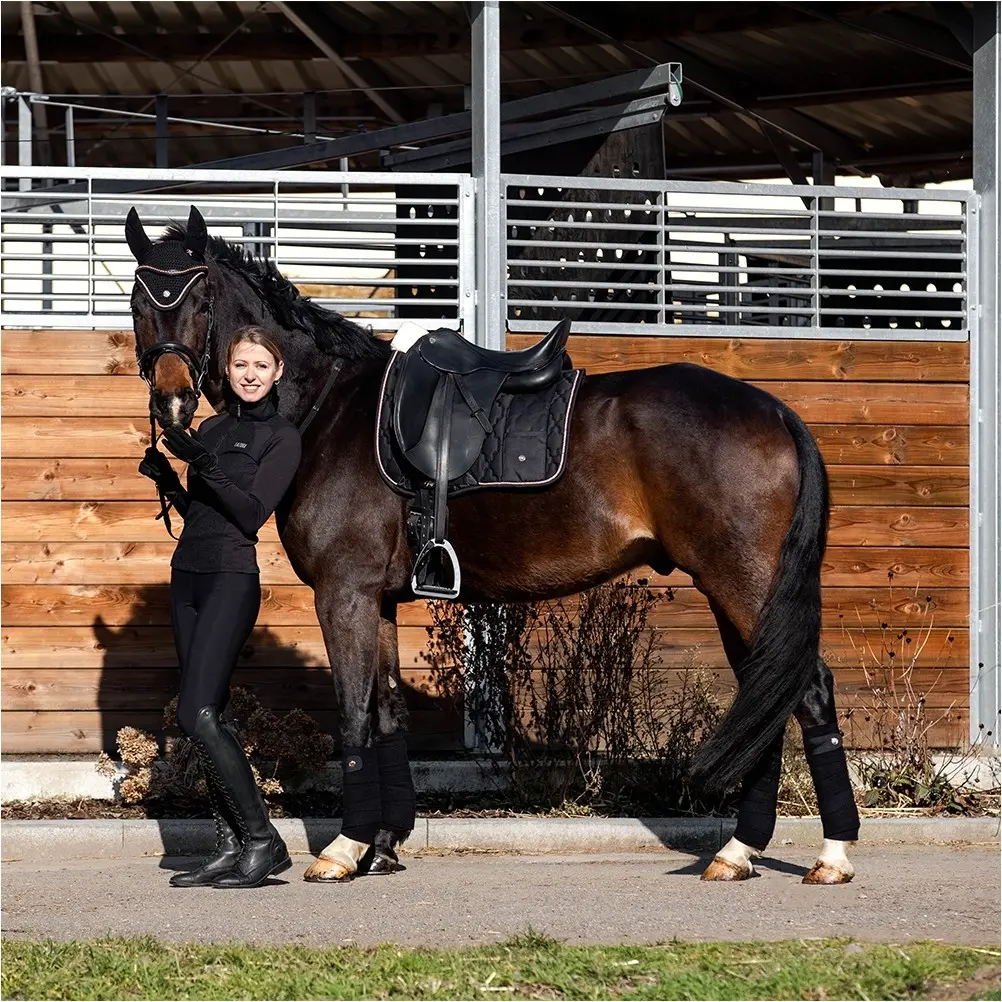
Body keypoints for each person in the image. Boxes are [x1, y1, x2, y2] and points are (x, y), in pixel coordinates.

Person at [138, 325, 302, 888]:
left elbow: (252, 513)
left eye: (261, 365)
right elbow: (206, 515)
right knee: (216, 715)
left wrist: (203, 463)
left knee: (195, 712)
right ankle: (229, 846)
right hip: (187, 577)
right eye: (240, 365)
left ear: (277, 372)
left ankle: (263, 841)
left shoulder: (282, 437)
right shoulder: (211, 426)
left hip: (233, 580)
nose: (250, 374)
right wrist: (171, 479)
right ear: (227, 372)